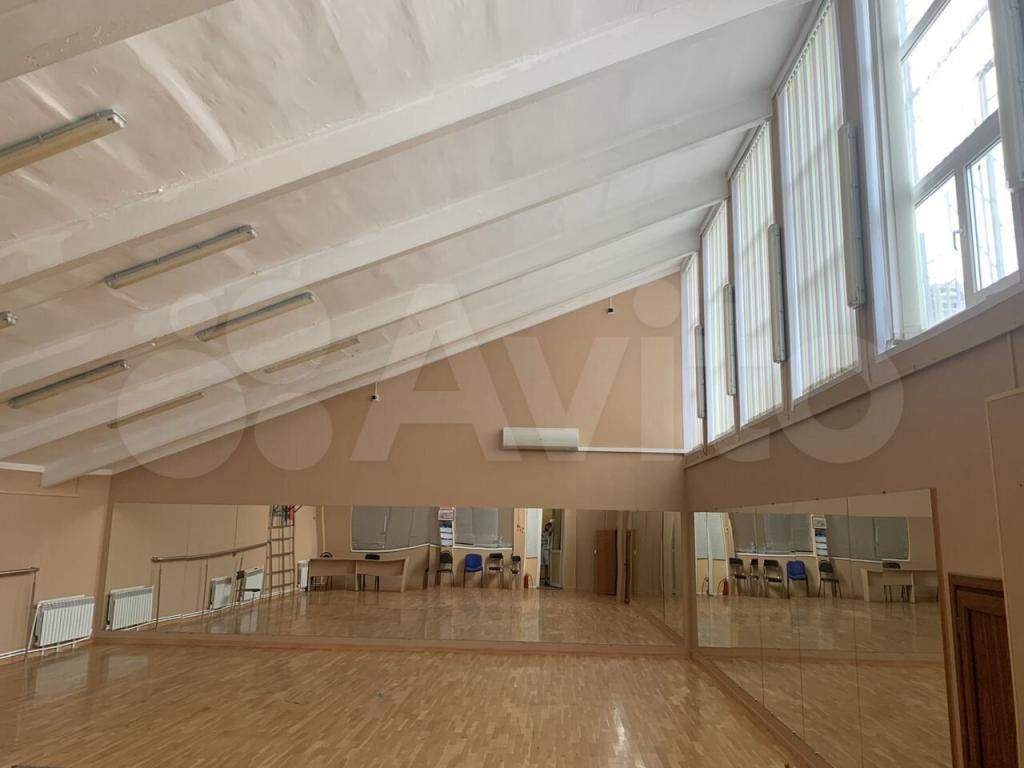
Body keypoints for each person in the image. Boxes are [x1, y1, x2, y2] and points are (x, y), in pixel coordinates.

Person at [541, 520, 554, 586]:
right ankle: (540, 579)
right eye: (546, 526)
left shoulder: (549, 533)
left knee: (546, 565)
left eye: (548, 526)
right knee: (541, 565)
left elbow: (552, 528)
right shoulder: (543, 533)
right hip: (541, 550)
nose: (547, 527)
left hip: (546, 550)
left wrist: (551, 522)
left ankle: (546, 580)